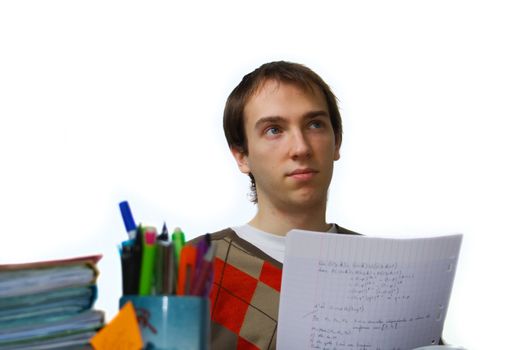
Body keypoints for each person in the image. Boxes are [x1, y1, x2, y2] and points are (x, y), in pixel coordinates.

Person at [191, 61, 360, 349]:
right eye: (274, 130)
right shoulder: (192, 266)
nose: (301, 148)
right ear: (242, 156)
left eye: (315, 124)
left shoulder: (386, 267)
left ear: (337, 142)